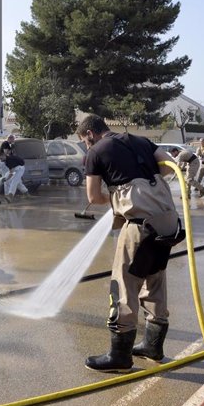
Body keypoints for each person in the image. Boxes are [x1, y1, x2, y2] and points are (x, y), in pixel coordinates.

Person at [77, 114, 181, 373]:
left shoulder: (95, 151)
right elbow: (169, 166)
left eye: (84, 141)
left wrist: (112, 195)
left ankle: (120, 357)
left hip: (139, 225)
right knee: (154, 279)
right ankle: (153, 346)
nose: (87, 146)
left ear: (89, 134)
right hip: (167, 221)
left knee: (123, 286)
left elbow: (93, 196)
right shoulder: (141, 141)